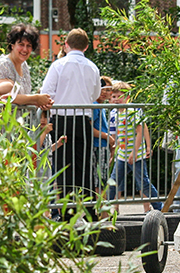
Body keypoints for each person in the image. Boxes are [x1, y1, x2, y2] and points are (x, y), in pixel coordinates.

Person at [39, 28, 102, 210]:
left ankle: (68, 213)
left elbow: (46, 92)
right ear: (87, 47)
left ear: (65, 45)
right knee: (84, 167)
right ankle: (89, 211)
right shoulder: (92, 67)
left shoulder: (58, 65)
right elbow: (96, 94)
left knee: (63, 167)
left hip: (62, 120)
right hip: (83, 121)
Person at [107, 81, 162, 212]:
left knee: (143, 182)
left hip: (136, 155)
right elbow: (117, 137)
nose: (116, 99)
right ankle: (105, 208)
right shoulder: (114, 113)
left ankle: (159, 206)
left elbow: (140, 130)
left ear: (127, 97)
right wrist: (113, 154)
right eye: (114, 97)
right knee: (113, 181)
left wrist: (135, 151)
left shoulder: (131, 111)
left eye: (119, 96)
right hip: (122, 155)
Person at [0, 23, 53, 117]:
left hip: (18, 124)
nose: (25, 49)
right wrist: (36, 98)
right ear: (12, 45)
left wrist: (42, 102)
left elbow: (23, 100)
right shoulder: (4, 64)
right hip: (0, 124)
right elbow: (6, 98)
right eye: (21, 44)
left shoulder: (24, 65)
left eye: (29, 45)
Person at [91, 76, 115, 195]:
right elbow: (90, 128)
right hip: (98, 145)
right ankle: (102, 210)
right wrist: (107, 137)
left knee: (102, 178)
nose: (105, 92)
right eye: (103, 89)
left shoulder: (100, 106)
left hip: (103, 145)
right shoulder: (95, 105)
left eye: (108, 89)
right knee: (100, 179)